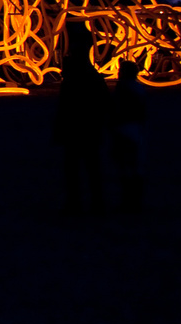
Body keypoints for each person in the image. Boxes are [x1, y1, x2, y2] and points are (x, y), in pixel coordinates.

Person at [53, 22, 108, 214]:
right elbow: (104, 104)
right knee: (90, 167)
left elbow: (65, 106)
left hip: (76, 130)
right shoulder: (93, 78)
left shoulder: (74, 80)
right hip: (88, 130)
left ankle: (77, 202)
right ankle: (95, 202)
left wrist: (59, 129)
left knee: (75, 168)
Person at [111, 58, 147, 212]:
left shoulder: (124, 89)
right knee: (134, 166)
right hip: (135, 129)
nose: (117, 73)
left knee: (126, 166)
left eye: (120, 71)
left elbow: (119, 109)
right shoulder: (139, 89)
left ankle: (129, 201)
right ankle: (135, 201)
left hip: (125, 129)